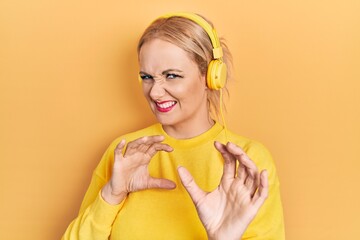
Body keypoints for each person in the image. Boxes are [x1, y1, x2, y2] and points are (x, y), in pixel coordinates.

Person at [62, 12, 285, 240]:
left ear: (210, 77)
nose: (155, 92)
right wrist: (112, 194)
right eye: (147, 77)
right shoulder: (125, 153)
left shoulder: (248, 161)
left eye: (172, 75)